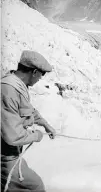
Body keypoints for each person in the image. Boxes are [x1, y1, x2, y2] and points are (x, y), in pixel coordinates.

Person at [1, 50, 56, 192]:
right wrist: (36, 136)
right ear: (34, 72)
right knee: (35, 187)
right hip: (6, 158)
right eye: (41, 75)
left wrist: (45, 124)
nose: (40, 79)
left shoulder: (16, 84)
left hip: (12, 155)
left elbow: (28, 110)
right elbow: (12, 136)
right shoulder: (9, 90)